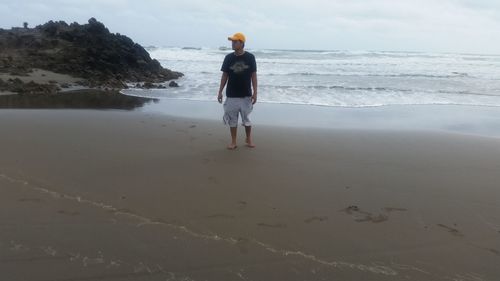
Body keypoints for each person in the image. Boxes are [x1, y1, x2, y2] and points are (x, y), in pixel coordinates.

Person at [217, 32, 258, 150]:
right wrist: (220, 91)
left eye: (235, 41)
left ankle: (248, 138)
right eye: (232, 42)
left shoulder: (250, 57)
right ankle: (233, 141)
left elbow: (253, 76)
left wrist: (255, 92)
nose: (233, 43)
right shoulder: (228, 57)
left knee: (247, 120)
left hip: (246, 94)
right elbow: (225, 75)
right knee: (232, 120)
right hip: (231, 94)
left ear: (242, 43)